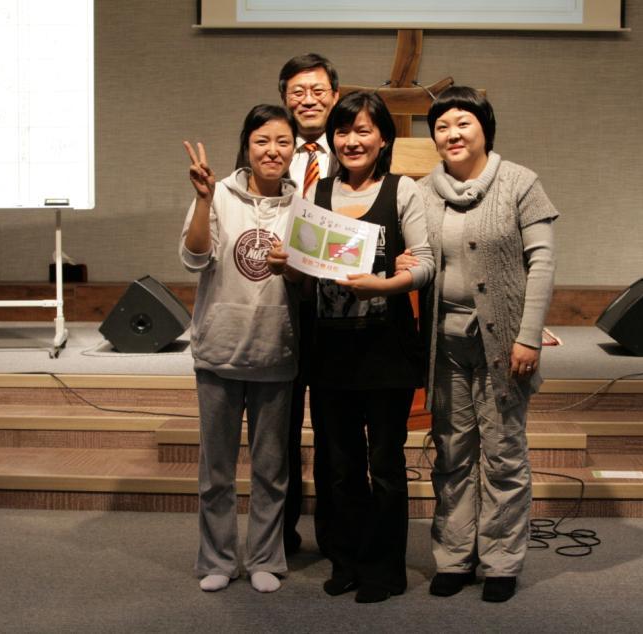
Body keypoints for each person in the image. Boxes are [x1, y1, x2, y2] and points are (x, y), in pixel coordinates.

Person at [406, 86, 559, 603]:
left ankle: (501, 563)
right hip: (443, 345)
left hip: (504, 346)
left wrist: (529, 335)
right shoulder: (421, 191)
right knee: (451, 453)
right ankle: (453, 557)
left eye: (462, 122)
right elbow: (417, 256)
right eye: (442, 126)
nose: (452, 133)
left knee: (502, 454)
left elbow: (542, 263)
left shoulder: (520, 182)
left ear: (484, 128)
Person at [305, 90, 434, 603]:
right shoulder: (317, 192)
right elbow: (304, 266)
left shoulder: (404, 191)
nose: (352, 141)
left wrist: (384, 285)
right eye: (342, 131)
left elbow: (424, 263)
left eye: (363, 130)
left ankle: (384, 570)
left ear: (383, 138)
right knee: (339, 465)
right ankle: (347, 561)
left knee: (384, 464)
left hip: (386, 351)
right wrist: (285, 264)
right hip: (329, 351)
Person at [179, 104, 300, 594]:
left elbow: (311, 277)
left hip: (276, 350)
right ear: (246, 147)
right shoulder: (218, 193)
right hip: (219, 349)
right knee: (216, 472)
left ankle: (266, 558)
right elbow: (194, 258)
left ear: (294, 150)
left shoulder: (303, 204)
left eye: (283, 142)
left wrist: (293, 266)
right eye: (262, 141)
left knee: (271, 471)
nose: (272, 150)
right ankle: (218, 558)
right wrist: (203, 201)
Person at [277, 53, 340, 556]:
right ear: (284, 98)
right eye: (298, 91)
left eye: (318, 90)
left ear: (335, 96)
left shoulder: (355, 150)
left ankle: (337, 536)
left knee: (335, 426)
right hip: (282, 305)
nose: (309, 100)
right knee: (281, 424)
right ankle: (280, 533)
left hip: (340, 308)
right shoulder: (273, 150)